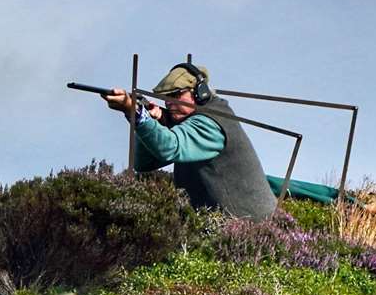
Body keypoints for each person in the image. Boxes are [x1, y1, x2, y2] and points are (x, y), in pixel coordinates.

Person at [100, 62, 277, 220]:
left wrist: (139, 116)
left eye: (176, 95)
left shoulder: (210, 123)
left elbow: (171, 147)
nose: (169, 102)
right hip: (219, 225)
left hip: (247, 228)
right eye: (166, 97)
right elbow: (144, 163)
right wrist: (151, 120)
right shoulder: (192, 119)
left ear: (200, 93)